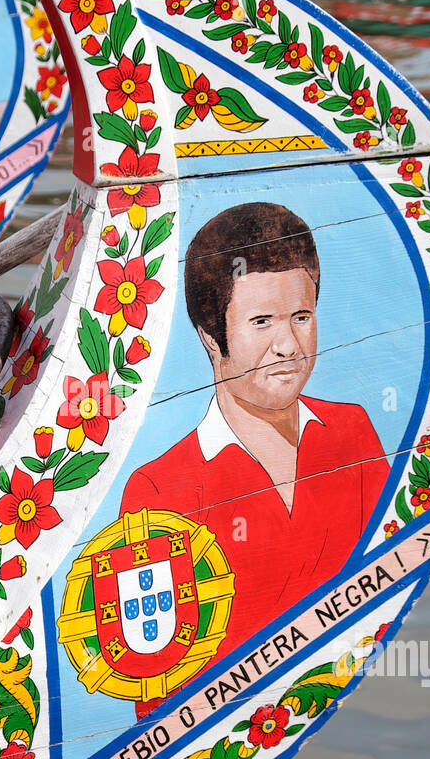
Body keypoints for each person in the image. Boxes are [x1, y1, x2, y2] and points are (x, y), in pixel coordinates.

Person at [120, 202, 390, 717]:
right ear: (210, 339)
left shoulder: (351, 433)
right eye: (261, 321)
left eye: (302, 317)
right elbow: (157, 691)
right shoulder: (160, 490)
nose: (288, 345)